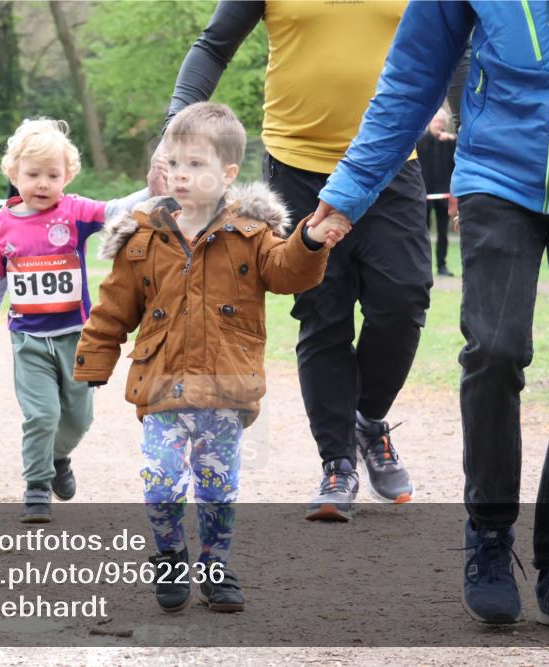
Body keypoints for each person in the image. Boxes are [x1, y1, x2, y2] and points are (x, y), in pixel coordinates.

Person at [307, 0, 549, 634]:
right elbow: (413, 76)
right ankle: (489, 539)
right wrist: (347, 193)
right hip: (497, 177)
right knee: (494, 350)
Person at [151, 0, 431, 521]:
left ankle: (367, 420)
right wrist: (175, 130)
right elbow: (213, 46)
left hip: (391, 161)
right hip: (298, 165)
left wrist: (460, 129)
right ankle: (338, 463)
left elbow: (455, 49)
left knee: (404, 298)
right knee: (323, 313)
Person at [75, 102, 349, 613]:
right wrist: (95, 360)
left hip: (227, 384)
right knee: (160, 483)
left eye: (195, 164)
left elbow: (288, 273)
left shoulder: (251, 233)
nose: (180, 174)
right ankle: (170, 557)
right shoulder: (142, 238)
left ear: (227, 173)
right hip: (161, 384)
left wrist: (310, 239)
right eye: (173, 163)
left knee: (217, 487)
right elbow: (113, 308)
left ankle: (215, 565)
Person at [0, 118, 148, 524]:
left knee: (79, 417)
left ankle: (57, 457)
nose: (43, 184)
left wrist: (155, 187)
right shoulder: (3, 223)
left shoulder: (74, 212)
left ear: (67, 176)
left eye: (53, 175)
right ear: (13, 175)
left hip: (75, 339)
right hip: (29, 340)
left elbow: (117, 209)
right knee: (41, 415)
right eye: (33, 175)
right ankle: (36, 486)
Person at [416, 109, 457, 276]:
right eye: (436, 121)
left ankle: (441, 266)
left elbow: (465, 147)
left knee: (442, 233)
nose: (438, 125)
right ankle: (422, 268)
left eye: (441, 122)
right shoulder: (420, 140)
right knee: (421, 233)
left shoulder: (449, 142)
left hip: (443, 196)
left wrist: (453, 139)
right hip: (423, 195)